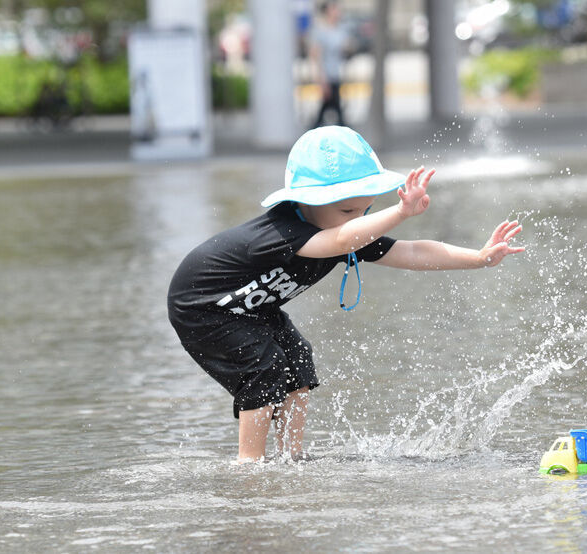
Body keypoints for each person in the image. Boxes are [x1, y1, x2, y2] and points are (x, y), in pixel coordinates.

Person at [167, 126, 524, 463]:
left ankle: (291, 457)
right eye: (349, 211)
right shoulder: (286, 229)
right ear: (307, 201)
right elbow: (340, 241)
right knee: (264, 369)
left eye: (365, 210)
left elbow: (412, 252)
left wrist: (478, 258)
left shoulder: (340, 227)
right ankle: (250, 466)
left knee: (297, 360)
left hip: (252, 307)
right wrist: (400, 211)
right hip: (204, 306)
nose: (359, 220)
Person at [310, 0, 349, 128]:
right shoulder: (321, 31)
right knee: (332, 110)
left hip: (336, 75)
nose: (338, 12)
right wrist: (322, 80)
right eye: (335, 9)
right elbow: (316, 57)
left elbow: (345, 49)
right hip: (326, 76)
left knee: (329, 109)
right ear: (328, 11)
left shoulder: (340, 30)